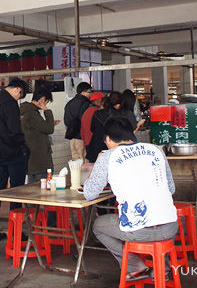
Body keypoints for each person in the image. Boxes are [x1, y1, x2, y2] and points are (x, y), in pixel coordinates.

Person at [83, 116, 178, 283]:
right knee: (157, 212)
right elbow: (171, 189)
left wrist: (98, 162)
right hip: (170, 227)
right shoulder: (157, 150)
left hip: (140, 231)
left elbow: (90, 193)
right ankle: (162, 269)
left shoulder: (108, 156)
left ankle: (135, 267)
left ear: (108, 139)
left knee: (98, 226)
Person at [0, 77, 29, 242]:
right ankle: (15, 232)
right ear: (18, 90)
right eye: (20, 95)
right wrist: (23, 146)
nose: (19, 98)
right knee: (16, 193)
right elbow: (14, 131)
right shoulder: (10, 103)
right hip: (13, 154)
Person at [21, 88, 58, 183]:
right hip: (40, 161)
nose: (46, 104)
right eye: (47, 102)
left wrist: (49, 123)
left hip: (31, 159)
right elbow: (49, 129)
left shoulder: (24, 110)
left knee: (32, 190)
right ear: (42, 100)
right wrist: (47, 111)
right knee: (43, 190)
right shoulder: (32, 113)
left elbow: (38, 128)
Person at [86, 91, 119, 163]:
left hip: (96, 142)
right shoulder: (116, 114)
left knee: (95, 165)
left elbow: (92, 128)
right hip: (110, 143)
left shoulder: (97, 113)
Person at [64, 82, 92, 160]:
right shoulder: (86, 104)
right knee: (84, 160)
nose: (90, 94)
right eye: (89, 92)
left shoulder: (69, 104)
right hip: (82, 137)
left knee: (76, 162)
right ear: (83, 92)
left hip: (72, 137)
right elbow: (87, 122)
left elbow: (66, 121)